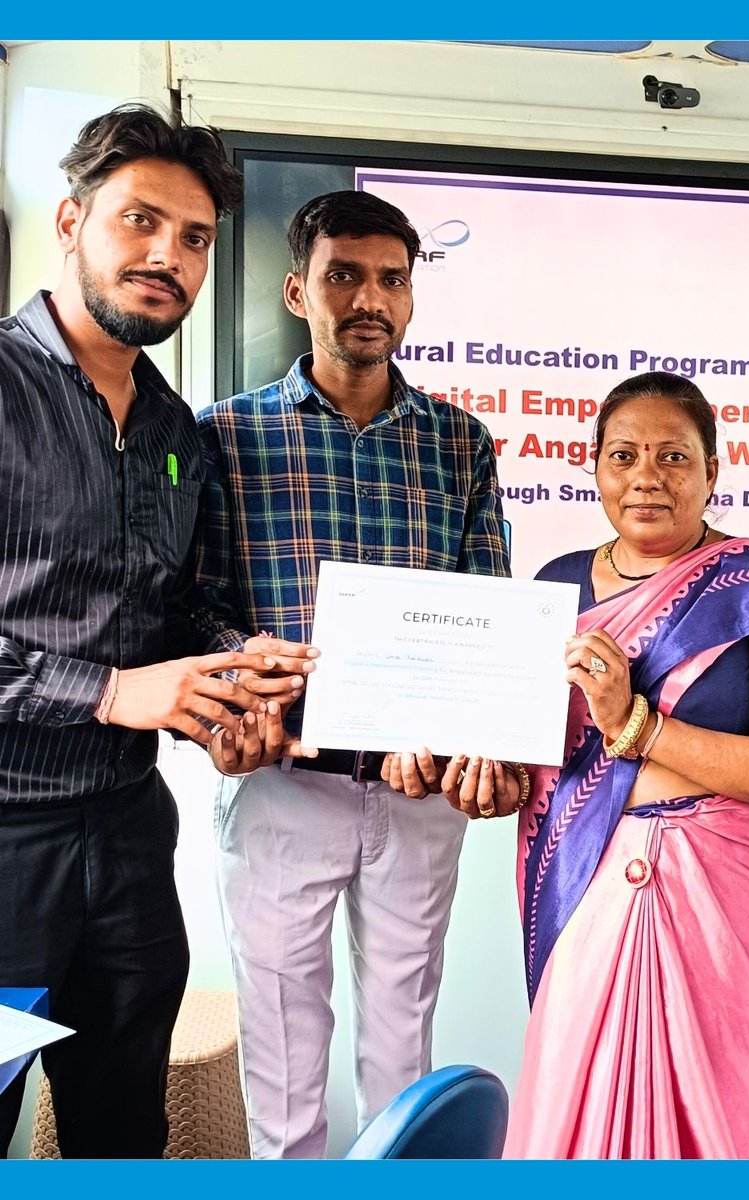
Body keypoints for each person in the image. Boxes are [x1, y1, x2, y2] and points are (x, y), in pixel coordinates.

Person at [0, 104, 307, 1159]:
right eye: (140, 222)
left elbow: (169, 609)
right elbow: (122, 671)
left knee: (122, 1123)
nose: (166, 257)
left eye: (194, 238)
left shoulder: (178, 427)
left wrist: (232, 675)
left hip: (130, 837)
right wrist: (112, 690)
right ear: (72, 221)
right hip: (6, 840)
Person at [193, 189, 512, 1158]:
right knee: (284, 1068)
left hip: (417, 796)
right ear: (298, 290)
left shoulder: (460, 444)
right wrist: (248, 666)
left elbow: (488, 611)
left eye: (390, 279)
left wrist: (469, 732)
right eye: (344, 275)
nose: (368, 298)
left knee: (401, 1060)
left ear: (411, 299)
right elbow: (195, 606)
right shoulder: (225, 437)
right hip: (284, 782)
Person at [490, 371, 749, 1158]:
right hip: (588, 889)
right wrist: (481, 778)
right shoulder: (554, 589)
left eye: (674, 457)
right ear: (593, 468)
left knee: (721, 1117)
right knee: (572, 1115)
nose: (647, 477)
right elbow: (535, 764)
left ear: (713, 471)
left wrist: (636, 726)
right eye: (623, 455)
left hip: (728, 901)